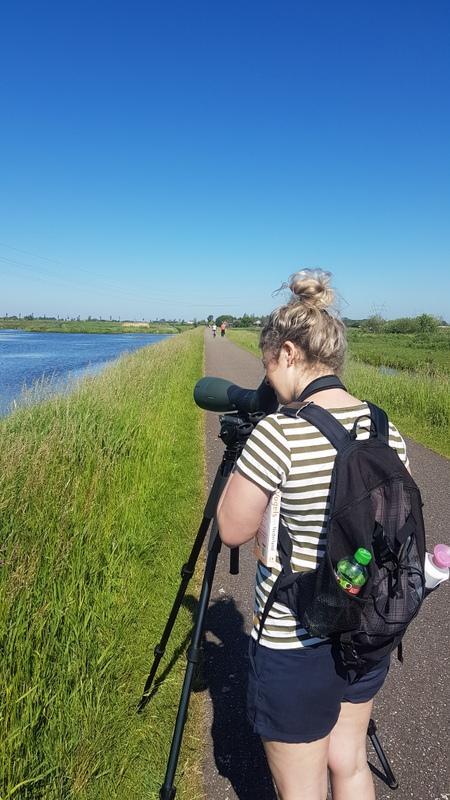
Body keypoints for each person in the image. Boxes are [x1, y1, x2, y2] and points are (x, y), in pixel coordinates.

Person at [217, 270, 409, 800]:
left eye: (267, 368)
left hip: (294, 635)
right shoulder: (382, 426)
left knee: (301, 786)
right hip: (367, 626)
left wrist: (243, 455)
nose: (269, 384)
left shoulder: (278, 432)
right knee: (348, 763)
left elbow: (232, 530)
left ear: (285, 353)